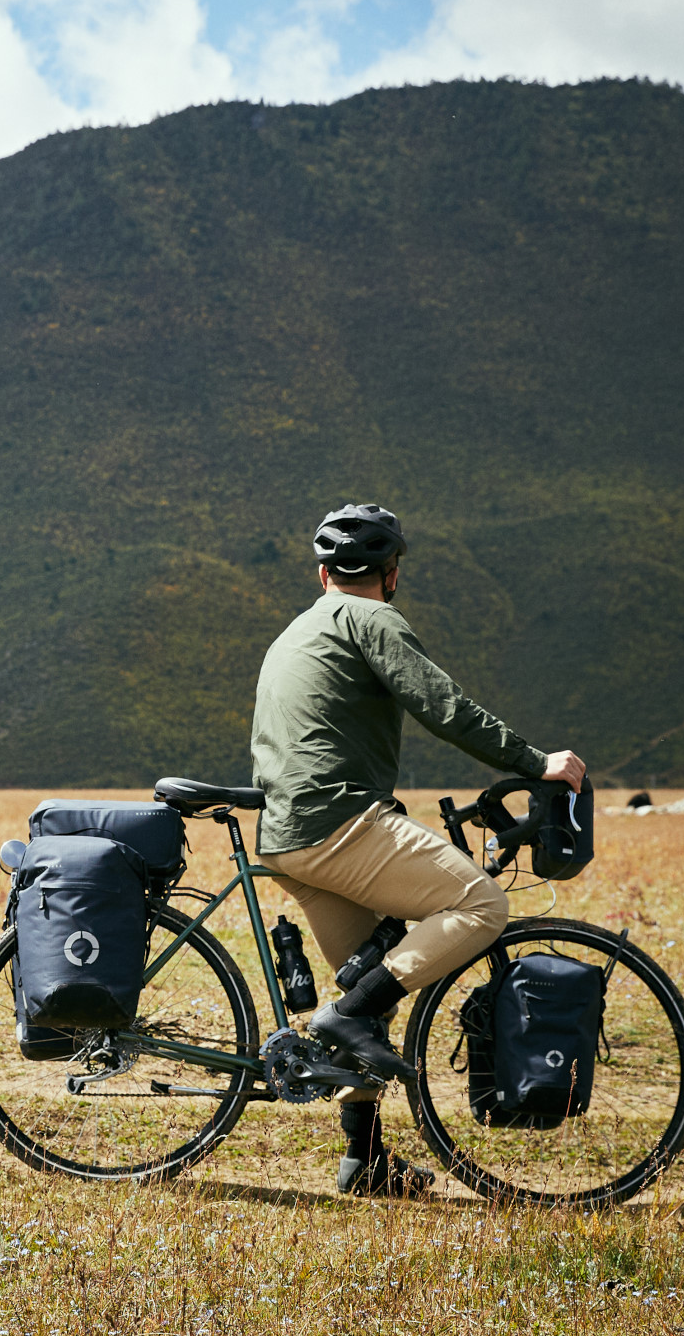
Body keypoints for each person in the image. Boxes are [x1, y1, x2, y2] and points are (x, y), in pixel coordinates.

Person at [251, 504, 587, 1197]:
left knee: (373, 983)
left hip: (289, 837)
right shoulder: (373, 619)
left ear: (322, 574)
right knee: (480, 902)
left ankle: (364, 1158)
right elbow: (445, 706)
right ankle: (343, 1017)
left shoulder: (300, 627)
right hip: (338, 824)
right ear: (393, 575)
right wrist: (535, 762)